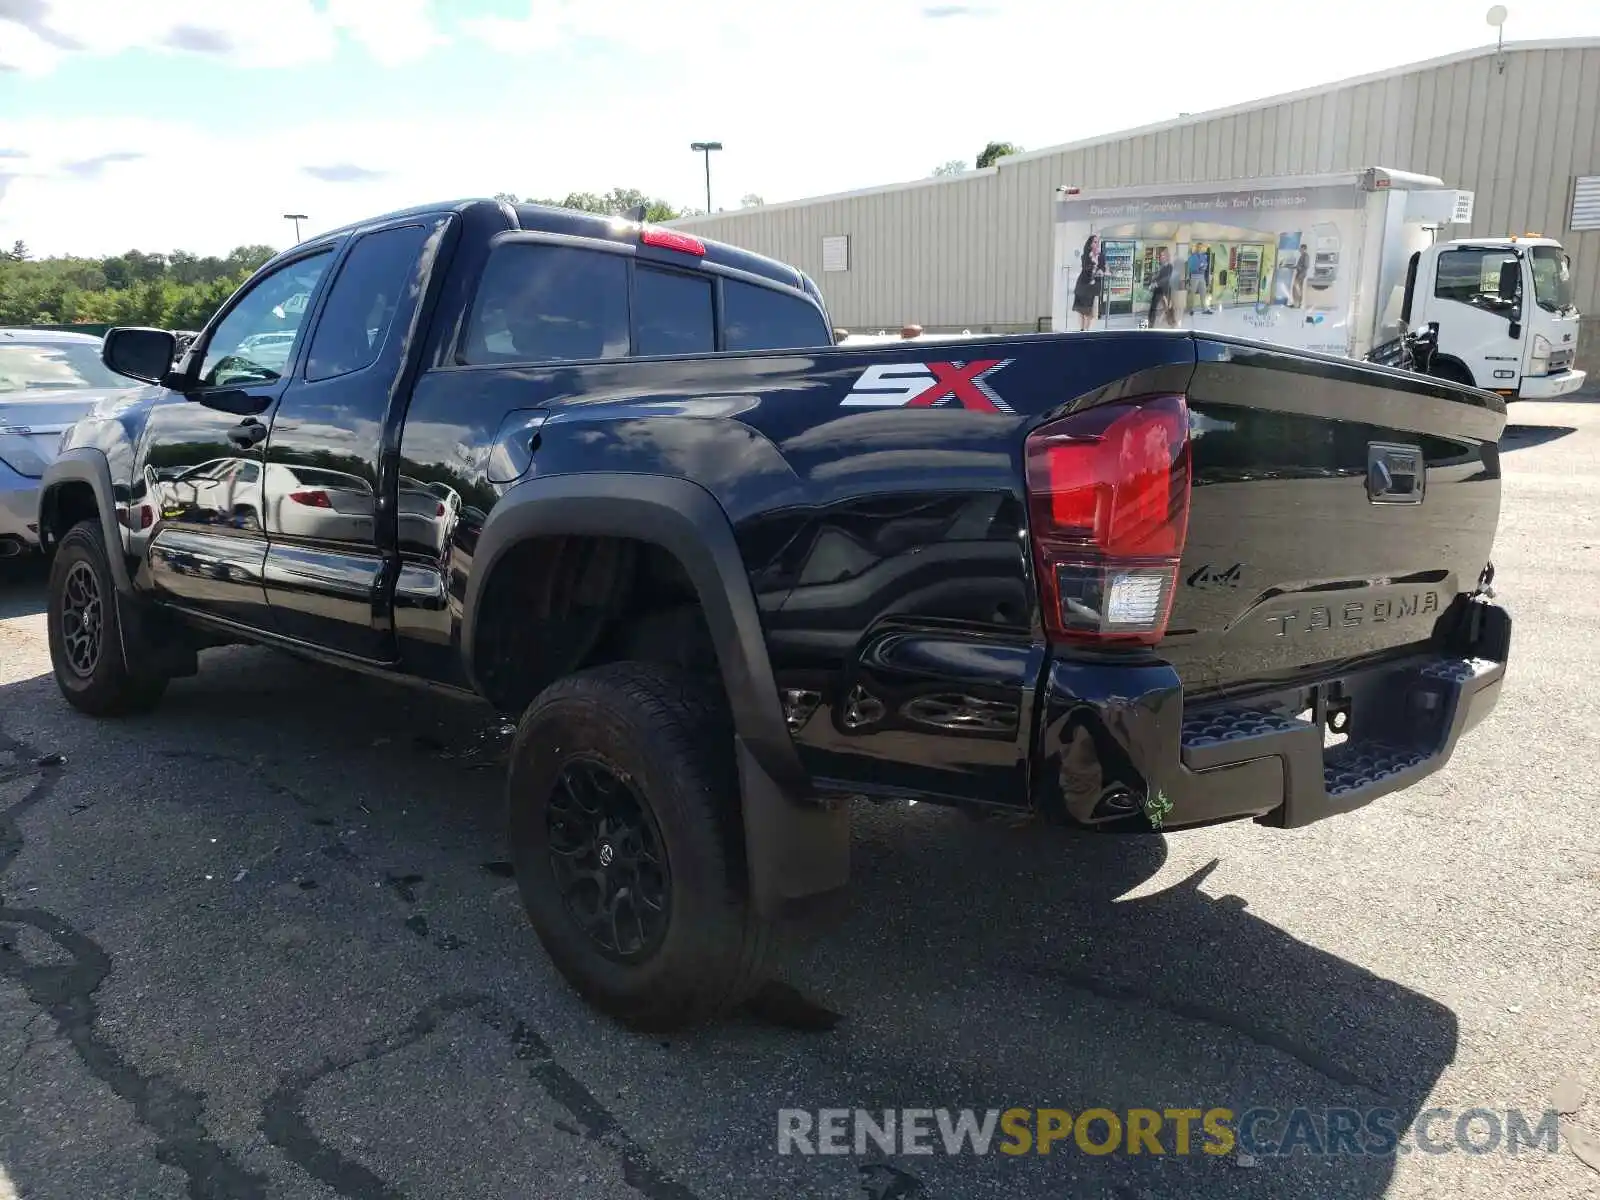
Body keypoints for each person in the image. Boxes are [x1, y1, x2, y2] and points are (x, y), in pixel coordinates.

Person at [1072, 235, 1106, 330]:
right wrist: (1093, 260)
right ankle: (1081, 331)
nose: (1097, 244)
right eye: (1095, 242)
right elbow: (1086, 268)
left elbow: (1103, 267)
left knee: (1089, 313)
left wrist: (1101, 271)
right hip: (1082, 285)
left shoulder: (1101, 256)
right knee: (1080, 311)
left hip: (1093, 287)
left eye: (1098, 242)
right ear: (1090, 244)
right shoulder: (1085, 256)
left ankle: (1086, 332)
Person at [1146, 247, 1176, 328]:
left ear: (1167, 257)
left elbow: (1167, 278)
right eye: (1161, 255)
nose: (1161, 257)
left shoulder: (1170, 267)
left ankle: (1172, 322)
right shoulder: (1161, 266)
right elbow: (1158, 276)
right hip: (1158, 290)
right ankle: (1150, 324)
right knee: (1153, 306)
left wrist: (1157, 283)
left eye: (1163, 255)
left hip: (1165, 290)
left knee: (1168, 307)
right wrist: (1152, 281)